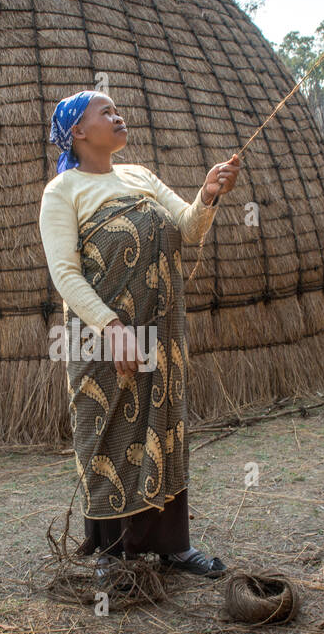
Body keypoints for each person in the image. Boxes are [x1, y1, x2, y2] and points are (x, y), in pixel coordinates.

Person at [39, 89, 241, 585]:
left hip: (161, 330)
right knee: (108, 432)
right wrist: (113, 329)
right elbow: (65, 274)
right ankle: (113, 553)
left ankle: (173, 547)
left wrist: (208, 194)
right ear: (79, 132)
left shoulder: (141, 177)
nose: (118, 115)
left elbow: (188, 231)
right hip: (101, 336)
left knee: (163, 429)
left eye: (117, 108)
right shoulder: (62, 191)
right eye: (104, 112)